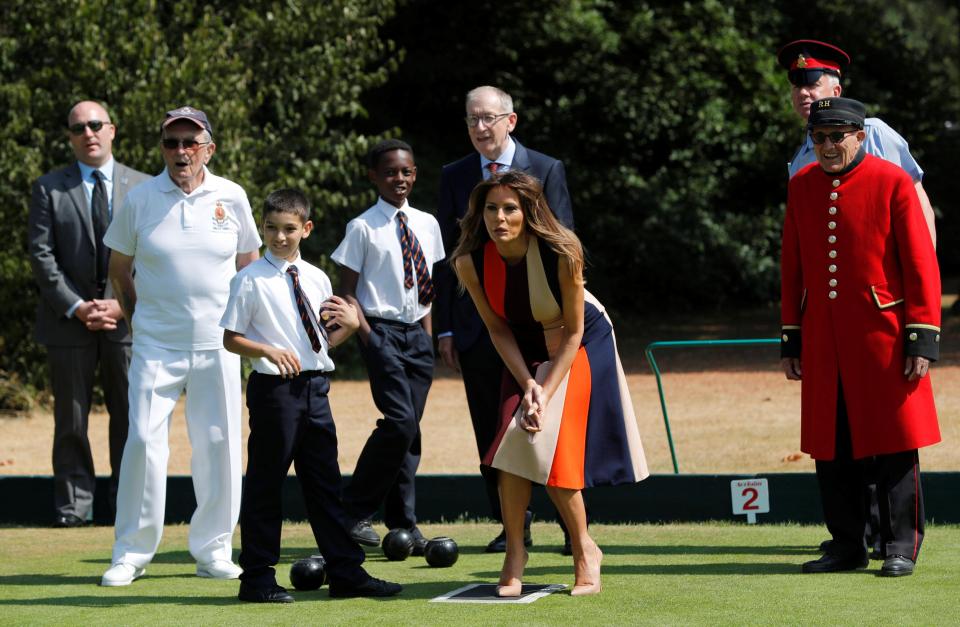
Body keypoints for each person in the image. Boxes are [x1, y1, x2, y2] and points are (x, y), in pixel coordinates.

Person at [452, 170, 648, 596]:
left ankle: (584, 550)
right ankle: (515, 552)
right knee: (511, 446)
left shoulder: (562, 253)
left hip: (581, 343)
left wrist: (546, 392)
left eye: (509, 209)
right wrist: (527, 384)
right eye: (490, 208)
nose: (498, 218)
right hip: (524, 349)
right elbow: (497, 330)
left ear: (529, 212)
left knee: (553, 447)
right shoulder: (470, 262)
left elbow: (575, 331)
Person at [777, 38, 938, 558]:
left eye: (837, 136)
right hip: (825, 338)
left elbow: (919, 262)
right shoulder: (801, 183)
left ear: (858, 135)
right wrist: (792, 338)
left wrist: (922, 335)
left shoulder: (891, 179)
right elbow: (793, 269)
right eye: (819, 136)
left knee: (892, 441)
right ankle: (846, 542)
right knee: (833, 444)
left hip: (883, 334)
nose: (827, 144)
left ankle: (900, 546)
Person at [100, 106, 261, 586]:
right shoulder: (141, 199)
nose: (181, 152)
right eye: (172, 143)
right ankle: (130, 552)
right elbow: (119, 270)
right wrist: (141, 321)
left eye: (190, 142)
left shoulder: (231, 196)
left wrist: (244, 335)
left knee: (218, 444)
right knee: (144, 443)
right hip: (155, 343)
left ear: (209, 147)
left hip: (218, 345)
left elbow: (249, 269)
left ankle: (213, 550)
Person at [221, 189, 402, 602]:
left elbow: (320, 344)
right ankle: (257, 579)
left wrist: (352, 327)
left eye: (289, 229)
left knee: (324, 486)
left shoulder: (317, 277)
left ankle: (346, 574)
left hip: (315, 391)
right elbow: (232, 339)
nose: (279, 237)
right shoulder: (248, 280)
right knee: (266, 485)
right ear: (261, 227)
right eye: (271, 228)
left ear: (306, 229)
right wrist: (266, 350)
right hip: (274, 394)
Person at [435, 85, 575, 553]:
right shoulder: (454, 176)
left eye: (488, 119)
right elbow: (447, 258)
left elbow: (565, 243)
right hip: (480, 326)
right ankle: (512, 527)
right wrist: (448, 327)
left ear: (510, 121)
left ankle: (573, 528)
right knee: (491, 427)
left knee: (551, 422)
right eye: (472, 120)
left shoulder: (547, 168)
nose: (480, 128)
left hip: (543, 324)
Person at [28, 101, 150, 527]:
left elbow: (155, 256)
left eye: (96, 125)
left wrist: (123, 303)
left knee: (132, 418)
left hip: (129, 320)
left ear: (112, 130)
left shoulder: (146, 186)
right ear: (70, 137)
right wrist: (78, 307)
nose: (89, 133)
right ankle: (73, 510)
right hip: (68, 323)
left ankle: (128, 508)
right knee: (71, 421)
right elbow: (41, 257)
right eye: (79, 128)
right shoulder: (48, 188)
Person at [331, 139, 444, 554]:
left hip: (417, 334)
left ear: (415, 174)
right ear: (373, 177)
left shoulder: (428, 224)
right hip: (379, 330)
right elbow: (346, 293)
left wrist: (428, 337)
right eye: (391, 172)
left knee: (409, 432)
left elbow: (427, 284)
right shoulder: (362, 227)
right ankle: (353, 511)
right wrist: (367, 336)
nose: (400, 179)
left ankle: (403, 524)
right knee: (398, 422)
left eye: (407, 171)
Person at [778, 39, 936, 245]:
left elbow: (918, 205)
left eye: (812, 84)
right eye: (797, 86)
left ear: (836, 92)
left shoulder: (873, 134)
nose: (802, 93)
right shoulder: (799, 161)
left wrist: (923, 271)